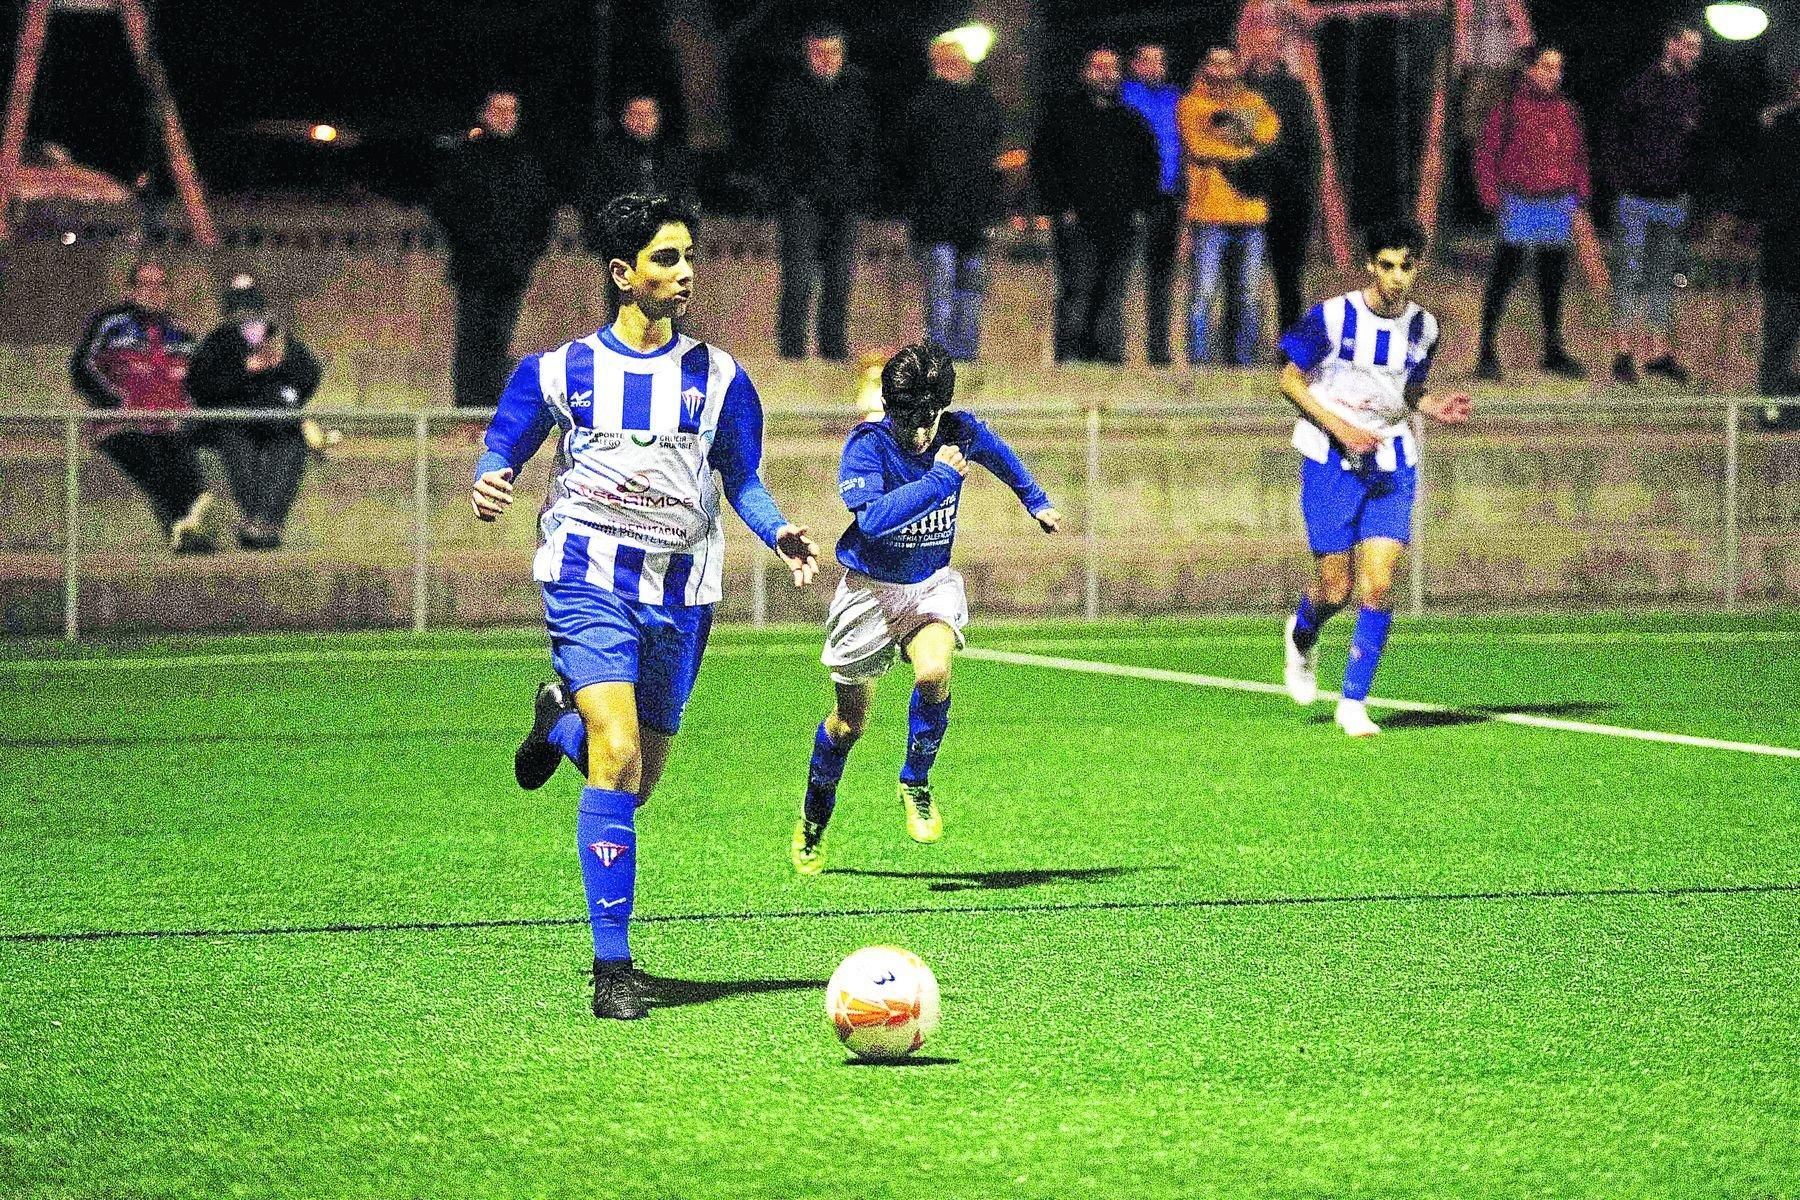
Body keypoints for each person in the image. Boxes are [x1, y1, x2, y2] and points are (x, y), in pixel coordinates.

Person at [471, 192, 820, 1020]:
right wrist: (493, 475)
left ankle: (556, 722)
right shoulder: (560, 371)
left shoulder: (723, 377)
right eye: (667, 259)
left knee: (633, 781)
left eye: (689, 257)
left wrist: (778, 533)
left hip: (683, 597)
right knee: (620, 751)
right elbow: (504, 439)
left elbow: (742, 479)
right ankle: (613, 968)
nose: (686, 272)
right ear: (623, 275)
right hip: (588, 581)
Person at [789, 341, 1061, 876]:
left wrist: (1036, 500)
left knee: (935, 671)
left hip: (929, 583)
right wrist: (940, 479)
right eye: (906, 416)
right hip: (868, 591)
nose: (918, 428)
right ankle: (814, 821)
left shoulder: (958, 431)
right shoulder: (865, 447)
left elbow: (998, 453)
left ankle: (915, 780)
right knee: (848, 726)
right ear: (890, 406)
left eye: (927, 416)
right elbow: (872, 520)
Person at [1276, 219, 1473, 737]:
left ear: (1418, 268)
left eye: (1406, 266)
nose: (1396, 278)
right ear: (1370, 264)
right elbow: (1289, 380)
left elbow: (1407, 392)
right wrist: (1341, 427)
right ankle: (1302, 634)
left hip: (1392, 462)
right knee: (1334, 588)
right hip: (1330, 460)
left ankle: (1353, 703)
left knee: (1380, 584)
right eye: (1386, 265)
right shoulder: (1333, 317)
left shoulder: (1424, 328)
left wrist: (1433, 406)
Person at [68, 258, 218, 553]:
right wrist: (116, 404)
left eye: (160, 284)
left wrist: (191, 413)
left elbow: (199, 382)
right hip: (122, 424)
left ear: (169, 291)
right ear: (130, 289)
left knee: (182, 458)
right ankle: (184, 524)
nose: (153, 290)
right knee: (152, 458)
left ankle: (189, 524)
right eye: (145, 284)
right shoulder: (110, 323)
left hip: (170, 424)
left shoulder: (181, 333)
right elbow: (82, 368)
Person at [1030, 46, 1161, 364]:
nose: (1106, 74)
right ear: (1084, 72)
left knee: (1112, 296)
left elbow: (1149, 169)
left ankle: (1108, 362)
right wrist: (1060, 208)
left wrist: (1140, 210)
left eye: (1113, 67)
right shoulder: (1062, 118)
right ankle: (1071, 361)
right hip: (1078, 224)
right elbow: (1045, 165)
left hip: (1120, 225)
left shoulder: (1132, 122)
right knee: (1077, 292)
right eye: (1099, 67)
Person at [1472, 45, 1592, 382]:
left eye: (1558, 68)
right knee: (1505, 275)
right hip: (1519, 201)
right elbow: (1486, 154)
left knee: (1552, 278)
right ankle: (1486, 348)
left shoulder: (1568, 111)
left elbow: (1578, 153)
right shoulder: (1508, 108)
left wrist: (1579, 192)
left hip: (1556, 202)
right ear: (1530, 69)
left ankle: (1552, 348)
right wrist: (1492, 198)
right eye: (1547, 67)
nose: (1554, 74)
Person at [430, 90, 555, 409]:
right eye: (498, 110)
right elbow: (447, 208)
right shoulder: (466, 157)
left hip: (511, 269)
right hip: (475, 267)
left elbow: (541, 213)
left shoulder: (527, 161)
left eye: (511, 111)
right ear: (484, 114)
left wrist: (526, 252)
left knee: (500, 341)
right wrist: (473, 242)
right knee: (472, 340)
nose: (505, 117)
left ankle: (491, 408)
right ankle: (468, 411)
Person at [763, 22, 875, 360]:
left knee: (839, 283)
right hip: (803, 204)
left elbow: (866, 147)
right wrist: (792, 192)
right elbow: (775, 149)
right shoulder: (788, 94)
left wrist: (858, 189)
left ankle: (833, 353)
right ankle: (793, 355)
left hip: (843, 204)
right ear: (807, 54)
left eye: (833, 53)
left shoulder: (855, 93)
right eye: (818, 52)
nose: (826, 60)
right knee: (798, 280)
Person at [187, 273, 322, 549]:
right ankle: (258, 521)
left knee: (291, 448)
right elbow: (201, 386)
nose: (246, 315)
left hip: (276, 422)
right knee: (239, 451)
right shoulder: (218, 341)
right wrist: (246, 369)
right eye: (239, 308)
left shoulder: (281, 339)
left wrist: (280, 364)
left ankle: (264, 523)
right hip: (233, 422)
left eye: (251, 306)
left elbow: (308, 376)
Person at [1603, 25, 1705, 386]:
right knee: (1630, 276)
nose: (1693, 53)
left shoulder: (1692, 93)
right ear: (1671, 44)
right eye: (1688, 46)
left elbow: (1694, 148)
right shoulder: (1641, 87)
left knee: (1663, 277)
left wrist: (1687, 191)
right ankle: (1623, 352)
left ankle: (1658, 352)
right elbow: (1614, 137)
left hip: (1672, 200)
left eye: (1698, 48)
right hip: (1636, 199)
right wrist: (1622, 182)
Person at [902, 36, 1004, 362]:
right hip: (938, 219)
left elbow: (991, 162)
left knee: (971, 293)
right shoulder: (924, 105)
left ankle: (966, 355)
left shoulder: (984, 105)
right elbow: (911, 159)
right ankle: (941, 359)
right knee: (941, 289)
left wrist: (992, 211)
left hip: (973, 220)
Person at [1177, 45, 1280, 366]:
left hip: (1251, 214)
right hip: (1210, 213)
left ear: (1237, 67)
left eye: (1228, 64)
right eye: (1215, 64)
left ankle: (1244, 363)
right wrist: (1243, 142)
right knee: (1204, 294)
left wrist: (1231, 134)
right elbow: (1199, 146)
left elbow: (1267, 138)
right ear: (1206, 68)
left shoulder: (1255, 102)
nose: (1222, 70)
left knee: (1249, 295)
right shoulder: (1191, 105)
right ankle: (1200, 363)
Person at [1240, 23, 1321, 337]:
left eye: (1271, 43)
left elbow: (1310, 144)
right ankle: (1239, 350)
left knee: (1288, 278)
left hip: (1288, 196)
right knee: (1242, 279)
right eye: (1259, 42)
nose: (1265, 48)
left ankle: (1288, 346)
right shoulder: (1239, 89)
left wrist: (1307, 191)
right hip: (1246, 194)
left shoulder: (1295, 90)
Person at [1120, 43, 1184, 366]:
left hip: (1167, 198)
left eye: (1160, 61)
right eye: (1147, 61)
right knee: (1122, 277)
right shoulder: (1124, 95)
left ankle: (1158, 351)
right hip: (1131, 200)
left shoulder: (1176, 98)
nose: (1154, 67)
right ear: (1135, 64)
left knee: (1162, 278)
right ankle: (1115, 352)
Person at [577, 95, 695, 251]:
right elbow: (594, 200)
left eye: (648, 115)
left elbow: (685, 196)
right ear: (625, 119)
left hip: (667, 238)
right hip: (622, 242)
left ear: (658, 118)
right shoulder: (607, 157)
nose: (643, 121)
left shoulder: (673, 156)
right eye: (637, 115)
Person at [1757, 68, 1800, 411]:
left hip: (1783, 249)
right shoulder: (1780, 128)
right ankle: (1773, 405)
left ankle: (1784, 400)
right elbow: (1765, 188)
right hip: (1785, 253)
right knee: (1780, 332)